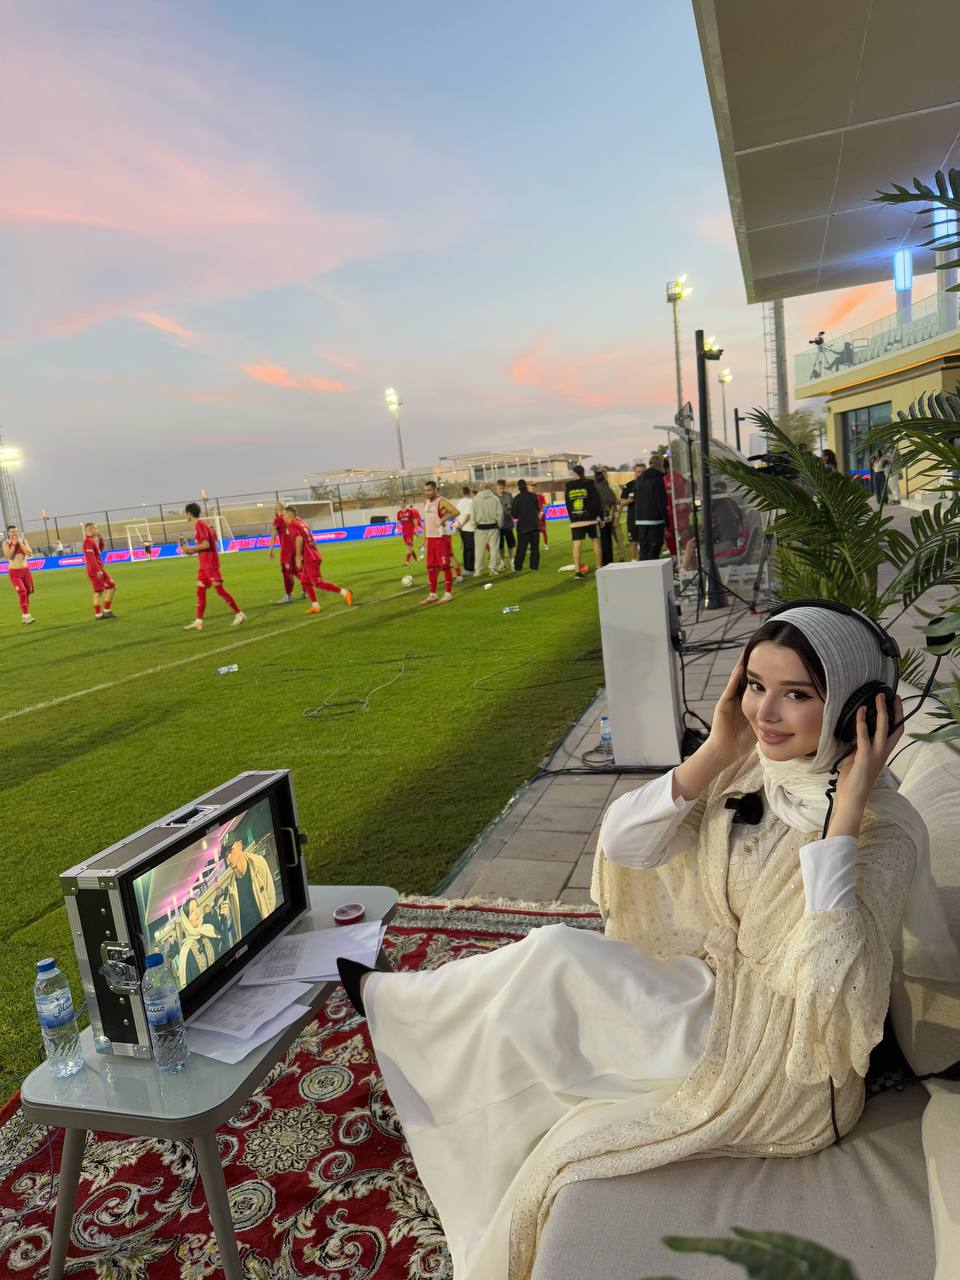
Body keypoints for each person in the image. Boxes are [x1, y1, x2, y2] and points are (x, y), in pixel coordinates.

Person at [335, 603, 959, 1279]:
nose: (765, 712)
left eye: (797, 694)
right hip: (713, 992)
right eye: (755, 685)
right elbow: (625, 844)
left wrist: (845, 817)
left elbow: (830, 988)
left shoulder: (882, 832)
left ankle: (400, 1016)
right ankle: (414, 1034)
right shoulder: (754, 769)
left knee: (554, 966)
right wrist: (717, 749)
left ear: (858, 711)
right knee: (548, 968)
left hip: (778, 1065)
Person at [181, 503, 245, 631]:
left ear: (189, 513)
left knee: (219, 590)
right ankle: (198, 621)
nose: (185, 515)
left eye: (186, 513)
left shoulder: (200, 525)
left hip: (210, 563)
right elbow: (206, 544)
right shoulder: (201, 525)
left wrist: (191, 548)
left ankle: (239, 614)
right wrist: (190, 551)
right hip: (204, 564)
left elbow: (206, 544)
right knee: (200, 590)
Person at [284, 505, 352, 614]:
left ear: (289, 515)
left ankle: (345, 592)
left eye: (284, 515)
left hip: (310, 558)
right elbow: (310, 538)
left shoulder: (292, 525)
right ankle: (315, 606)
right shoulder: (301, 522)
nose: (283, 517)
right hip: (313, 555)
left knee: (318, 583)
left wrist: (297, 556)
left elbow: (299, 539)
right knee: (305, 581)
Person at [224, 836, 277, 936]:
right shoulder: (231, 887)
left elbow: (271, 896)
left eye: (231, 851)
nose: (228, 859)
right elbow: (234, 920)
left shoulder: (258, 863)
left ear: (240, 845)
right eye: (226, 856)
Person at [176, 896, 229, 987]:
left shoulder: (209, 930)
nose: (197, 912)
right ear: (186, 921)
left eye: (197, 907)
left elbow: (225, 951)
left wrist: (224, 919)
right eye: (191, 912)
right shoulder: (185, 951)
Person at [421, 480, 460, 604]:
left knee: (445, 566)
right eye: (425, 490)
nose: (427, 492)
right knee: (431, 567)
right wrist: (424, 540)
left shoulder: (441, 501)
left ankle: (448, 594)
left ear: (435, 489)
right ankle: (432, 594)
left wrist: (444, 518)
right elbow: (426, 523)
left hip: (441, 538)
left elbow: (456, 511)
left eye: (429, 490)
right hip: (431, 539)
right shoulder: (426, 503)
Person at [564, 464, 603, 575]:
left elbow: (567, 503)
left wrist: (572, 518)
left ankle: (577, 572)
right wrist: (601, 517)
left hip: (576, 520)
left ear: (575, 473)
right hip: (591, 519)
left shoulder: (568, 487)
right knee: (596, 541)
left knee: (576, 545)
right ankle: (598, 568)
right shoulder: (589, 484)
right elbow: (597, 501)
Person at [633, 454, 669, 560]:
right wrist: (667, 520)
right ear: (660, 465)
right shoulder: (657, 479)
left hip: (640, 519)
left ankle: (643, 567)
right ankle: (653, 567)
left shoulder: (639, 479)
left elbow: (636, 498)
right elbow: (660, 501)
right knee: (655, 548)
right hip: (655, 519)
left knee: (644, 549)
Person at [81, 522, 118, 620]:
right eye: (95, 528)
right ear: (90, 529)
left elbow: (98, 552)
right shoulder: (88, 542)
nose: (97, 530)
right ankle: (105, 612)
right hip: (96, 570)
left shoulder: (91, 541)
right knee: (108, 588)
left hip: (97, 569)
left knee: (102, 590)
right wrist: (97, 570)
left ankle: (102, 613)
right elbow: (91, 557)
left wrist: (101, 540)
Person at [2, 524, 36, 625]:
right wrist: (13, 544)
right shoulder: (6, 543)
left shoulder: (23, 540)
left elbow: (29, 553)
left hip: (25, 571)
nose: (15, 533)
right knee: (22, 591)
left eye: (16, 531)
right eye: (12, 532)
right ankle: (27, 616)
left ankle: (25, 616)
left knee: (27, 592)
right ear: (8, 533)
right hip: (14, 572)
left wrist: (20, 543)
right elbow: (9, 556)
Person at [269, 500, 298, 604]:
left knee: (287, 573)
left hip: (286, 551)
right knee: (298, 571)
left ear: (276, 510)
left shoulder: (278, 520)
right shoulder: (293, 517)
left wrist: (270, 549)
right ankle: (306, 590)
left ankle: (288, 596)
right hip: (297, 548)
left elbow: (273, 536)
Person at [472, 483, 502, 577]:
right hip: (493, 526)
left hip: (481, 527)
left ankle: (478, 570)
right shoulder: (495, 499)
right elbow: (500, 514)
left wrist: (474, 526)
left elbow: (473, 514)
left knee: (479, 550)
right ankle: (492, 568)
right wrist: (499, 525)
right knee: (494, 549)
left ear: (480, 488)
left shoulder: (476, 499)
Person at [511, 478, 541, 571]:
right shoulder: (533, 496)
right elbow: (537, 508)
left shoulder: (516, 498)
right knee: (535, 549)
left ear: (519, 488)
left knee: (521, 549)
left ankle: (518, 567)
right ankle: (534, 567)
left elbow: (514, 515)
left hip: (523, 527)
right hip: (535, 526)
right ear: (526, 486)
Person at [619, 462, 647, 560]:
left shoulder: (649, 484)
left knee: (646, 542)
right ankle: (634, 562)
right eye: (638, 472)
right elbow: (622, 502)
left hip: (646, 518)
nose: (640, 474)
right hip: (633, 518)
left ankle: (646, 561)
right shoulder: (629, 485)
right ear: (634, 472)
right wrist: (629, 500)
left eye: (643, 472)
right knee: (633, 542)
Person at [593, 468, 618, 566]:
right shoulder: (608, 489)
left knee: (601, 541)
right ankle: (609, 560)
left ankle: (603, 561)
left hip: (599, 519)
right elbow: (614, 503)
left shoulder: (594, 490)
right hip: (608, 518)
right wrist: (611, 515)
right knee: (608, 540)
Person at [455, 486, 476, 575]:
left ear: (462, 493)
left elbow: (457, 514)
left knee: (466, 549)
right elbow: (468, 516)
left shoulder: (459, 502)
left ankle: (466, 568)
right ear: (470, 492)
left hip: (462, 529)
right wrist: (462, 525)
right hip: (469, 529)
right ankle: (470, 569)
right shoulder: (469, 503)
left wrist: (459, 525)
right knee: (471, 549)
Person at [496, 479, 516, 570]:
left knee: (511, 545)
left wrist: (511, 508)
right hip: (498, 526)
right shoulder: (494, 497)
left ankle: (512, 562)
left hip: (508, 525)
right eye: (500, 488)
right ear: (497, 487)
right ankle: (503, 563)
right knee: (500, 546)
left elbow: (514, 507)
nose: (502, 490)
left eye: (503, 488)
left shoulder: (509, 496)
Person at [397, 503, 423, 567]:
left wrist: (415, 529)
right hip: (404, 532)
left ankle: (407, 561)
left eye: (402, 503)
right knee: (409, 547)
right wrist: (397, 529)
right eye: (400, 503)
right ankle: (416, 559)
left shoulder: (410, 511)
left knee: (409, 546)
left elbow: (415, 521)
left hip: (410, 531)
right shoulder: (399, 513)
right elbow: (398, 521)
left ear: (405, 504)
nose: (400, 504)